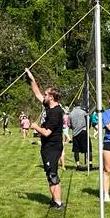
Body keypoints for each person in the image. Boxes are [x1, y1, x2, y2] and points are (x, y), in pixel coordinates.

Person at [26, 68, 64, 209]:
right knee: (50, 174)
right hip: (47, 147)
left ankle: (58, 203)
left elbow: (47, 133)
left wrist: (35, 127)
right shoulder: (49, 106)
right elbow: (36, 92)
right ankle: (55, 201)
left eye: (46, 94)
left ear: (52, 97)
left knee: (53, 175)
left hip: (53, 147)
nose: (44, 95)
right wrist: (31, 77)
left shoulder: (56, 112)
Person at [69, 103, 90, 170]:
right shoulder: (83, 112)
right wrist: (88, 127)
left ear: (74, 105)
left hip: (75, 133)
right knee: (88, 148)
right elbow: (88, 120)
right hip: (83, 131)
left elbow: (70, 125)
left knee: (76, 150)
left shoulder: (71, 114)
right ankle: (90, 163)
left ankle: (78, 164)